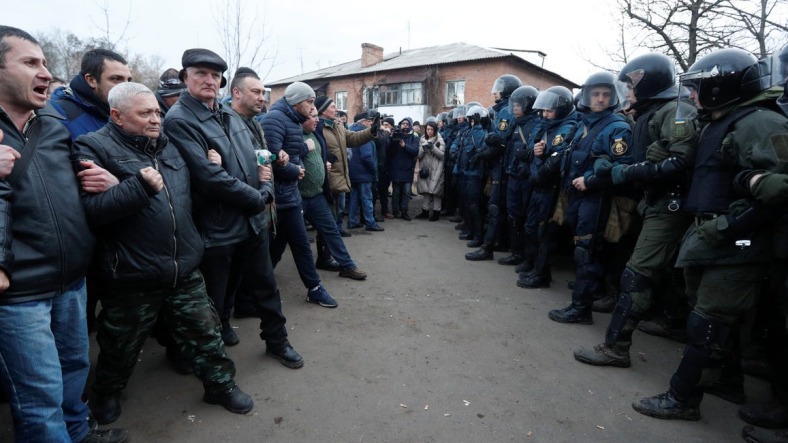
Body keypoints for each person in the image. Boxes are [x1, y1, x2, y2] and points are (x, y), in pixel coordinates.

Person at [74, 82, 254, 424]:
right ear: (117, 115)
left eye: (157, 111)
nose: (156, 119)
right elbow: (91, 212)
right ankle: (108, 392)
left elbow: (187, 197)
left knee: (205, 332)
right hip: (131, 273)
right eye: (145, 113)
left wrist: (214, 164)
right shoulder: (93, 148)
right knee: (120, 343)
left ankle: (221, 386)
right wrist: (136, 186)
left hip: (183, 264)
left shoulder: (169, 146)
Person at [632, 48, 788, 422]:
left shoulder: (759, 123)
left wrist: (731, 226)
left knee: (708, 320)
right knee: (713, 318)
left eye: (699, 87)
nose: (690, 95)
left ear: (721, 87)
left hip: (736, 242)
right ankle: (726, 381)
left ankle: (682, 399)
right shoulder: (723, 121)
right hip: (712, 236)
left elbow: (778, 190)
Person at [0, 25, 127, 443]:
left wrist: (103, 177)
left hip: (72, 279)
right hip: (18, 292)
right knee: (40, 398)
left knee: (75, 368)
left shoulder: (52, 118)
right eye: (31, 62)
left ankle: (80, 432)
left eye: (45, 63)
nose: (46, 72)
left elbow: (73, 173)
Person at [163, 49, 303, 368]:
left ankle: (277, 341)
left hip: (251, 221)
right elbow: (210, 178)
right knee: (215, 297)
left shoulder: (227, 115)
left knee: (266, 287)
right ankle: (213, 362)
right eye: (201, 73)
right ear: (186, 78)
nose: (209, 80)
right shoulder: (180, 121)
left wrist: (265, 188)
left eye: (214, 75)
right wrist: (258, 197)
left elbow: (258, 163)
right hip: (217, 227)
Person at [573, 53, 698, 368]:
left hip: (669, 205)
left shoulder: (674, 111)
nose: (627, 93)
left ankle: (616, 348)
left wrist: (624, 173)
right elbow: (626, 157)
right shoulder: (653, 113)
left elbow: (679, 161)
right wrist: (611, 165)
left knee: (637, 274)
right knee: (666, 274)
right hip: (656, 202)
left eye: (631, 86)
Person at [547, 71, 634, 325]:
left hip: (596, 200)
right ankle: (588, 293)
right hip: (577, 198)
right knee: (583, 250)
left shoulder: (616, 127)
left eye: (606, 95)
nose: (600, 99)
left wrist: (592, 181)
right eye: (595, 94)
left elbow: (624, 167)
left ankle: (580, 308)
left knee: (586, 253)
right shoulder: (586, 124)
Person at [260, 82, 339, 308]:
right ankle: (248, 295)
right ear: (296, 102)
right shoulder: (274, 120)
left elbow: (292, 154)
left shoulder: (292, 121)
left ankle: (314, 288)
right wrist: (295, 171)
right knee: (270, 250)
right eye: (310, 101)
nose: (313, 107)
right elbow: (269, 160)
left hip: (290, 197)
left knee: (299, 245)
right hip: (276, 199)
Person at [517, 86, 580, 288]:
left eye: (549, 110)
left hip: (551, 189)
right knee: (530, 226)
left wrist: (540, 159)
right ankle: (532, 263)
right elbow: (532, 151)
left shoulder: (568, 127)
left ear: (561, 109)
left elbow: (556, 155)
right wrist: (527, 162)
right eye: (542, 110)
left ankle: (542, 275)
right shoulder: (545, 125)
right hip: (537, 184)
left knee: (545, 232)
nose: (544, 114)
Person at [297, 108, 369, 280]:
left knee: (331, 230)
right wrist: (303, 149)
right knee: (285, 239)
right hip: (298, 197)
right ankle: (261, 276)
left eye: (316, 116)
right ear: (301, 120)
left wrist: (325, 161)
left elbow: (324, 152)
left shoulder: (316, 133)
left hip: (316, 195)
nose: (316, 120)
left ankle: (347, 266)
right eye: (312, 117)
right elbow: (284, 158)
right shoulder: (295, 135)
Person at [466, 74, 522, 261]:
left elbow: (499, 141)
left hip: (502, 167)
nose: (495, 91)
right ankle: (502, 243)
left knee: (496, 208)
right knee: (502, 209)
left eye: (499, 87)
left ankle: (488, 248)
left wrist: (482, 153)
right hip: (501, 167)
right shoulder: (501, 110)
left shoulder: (506, 111)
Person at [314, 96, 377, 235]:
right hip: (327, 177)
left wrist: (371, 131)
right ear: (323, 110)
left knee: (339, 206)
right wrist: (323, 155)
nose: (336, 109)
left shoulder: (337, 126)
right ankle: (328, 241)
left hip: (340, 175)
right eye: (332, 107)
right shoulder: (317, 127)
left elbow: (353, 138)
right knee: (328, 210)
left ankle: (337, 229)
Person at [498, 85, 541, 267]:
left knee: (526, 220)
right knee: (513, 215)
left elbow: (536, 151)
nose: (515, 108)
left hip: (526, 178)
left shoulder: (536, 125)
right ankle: (516, 252)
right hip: (513, 175)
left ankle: (526, 255)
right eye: (513, 105)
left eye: (519, 105)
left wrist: (527, 162)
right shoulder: (516, 124)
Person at [49, 48, 132, 139]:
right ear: (91, 80)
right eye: (116, 79)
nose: (126, 86)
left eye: (128, 80)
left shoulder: (125, 113)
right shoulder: (57, 114)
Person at [347, 111, 385, 231]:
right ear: (363, 121)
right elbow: (367, 156)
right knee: (367, 198)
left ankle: (352, 221)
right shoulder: (364, 134)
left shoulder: (350, 131)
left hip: (352, 172)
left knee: (354, 198)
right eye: (369, 121)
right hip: (364, 173)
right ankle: (370, 223)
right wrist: (374, 170)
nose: (371, 123)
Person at [388, 117, 420, 220]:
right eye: (403, 124)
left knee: (406, 192)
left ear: (410, 125)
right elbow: (388, 150)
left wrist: (404, 145)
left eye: (407, 124)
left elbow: (415, 151)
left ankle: (404, 211)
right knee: (396, 192)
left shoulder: (413, 137)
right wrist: (392, 139)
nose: (405, 126)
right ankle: (395, 211)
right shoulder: (396, 135)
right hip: (396, 168)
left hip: (407, 168)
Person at [415, 120, 445, 221]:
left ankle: (436, 212)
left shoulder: (440, 140)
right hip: (426, 169)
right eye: (428, 129)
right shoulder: (422, 139)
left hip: (437, 169)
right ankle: (425, 211)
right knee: (426, 191)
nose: (430, 131)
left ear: (435, 130)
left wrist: (433, 148)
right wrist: (423, 148)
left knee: (436, 192)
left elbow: (442, 155)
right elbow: (418, 156)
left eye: (432, 129)